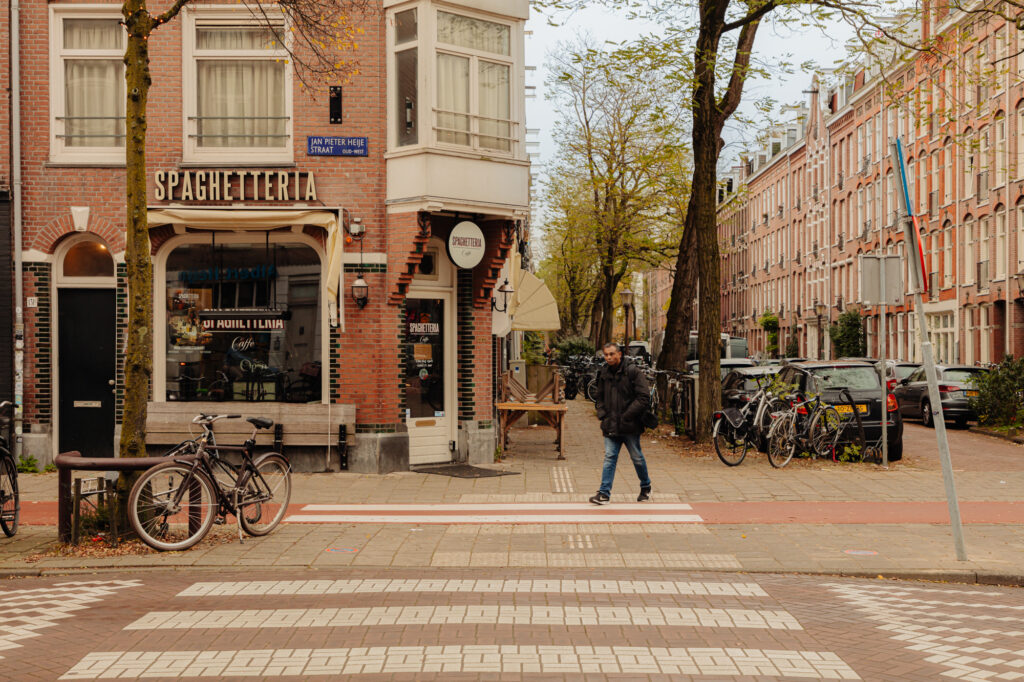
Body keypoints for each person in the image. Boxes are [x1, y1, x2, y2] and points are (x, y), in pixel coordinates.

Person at [590, 342, 652, 505]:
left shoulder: (632, 371)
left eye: (611, 354)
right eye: (606, 355)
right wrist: (602, 414)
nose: (608, 357)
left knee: (636, 457)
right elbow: (599, 396)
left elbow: (644, 397)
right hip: (610, 424)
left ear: (619, 354)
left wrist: (627, 415)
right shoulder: (604, 372)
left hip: (630, 425)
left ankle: (645, 486)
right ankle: (604, 493)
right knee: (610, 457)